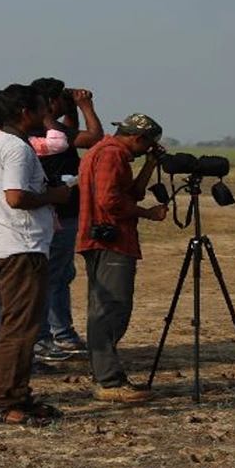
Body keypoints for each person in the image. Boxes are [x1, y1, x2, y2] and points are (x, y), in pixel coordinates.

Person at [0, 84, 71, 426]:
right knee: (20, 328)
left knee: (18, 325)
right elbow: (15, 197)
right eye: (41, 109)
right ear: (24, 113)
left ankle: (17, 393)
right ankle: (4, 400)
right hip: (21, 246)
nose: (46, 116)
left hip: (2, 244)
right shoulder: (16, 149)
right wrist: (55, 196)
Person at [77, 113, 168, 403]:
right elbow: (110, 202)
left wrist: (151, 165)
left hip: (104, 240)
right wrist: (148, 214)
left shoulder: (108, 152)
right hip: (111, 240)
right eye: (148, 146)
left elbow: (132, 193)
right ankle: (108, 381)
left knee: (105, 308)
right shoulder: (112, 155)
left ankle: (106, 373)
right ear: (139, 139)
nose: (146, 151)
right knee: (111, 309)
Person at [27, 78, 105, 361]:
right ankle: (52, 334)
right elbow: (94, 138)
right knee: (53, 277)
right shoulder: (48, 132)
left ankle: (59, 332)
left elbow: (70, 132)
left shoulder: (51, 130)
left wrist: (70, 107)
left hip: (64, 212)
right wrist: (86, 105)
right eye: (60, 99)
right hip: (57, 214)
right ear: (48, 103)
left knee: (60, 275)